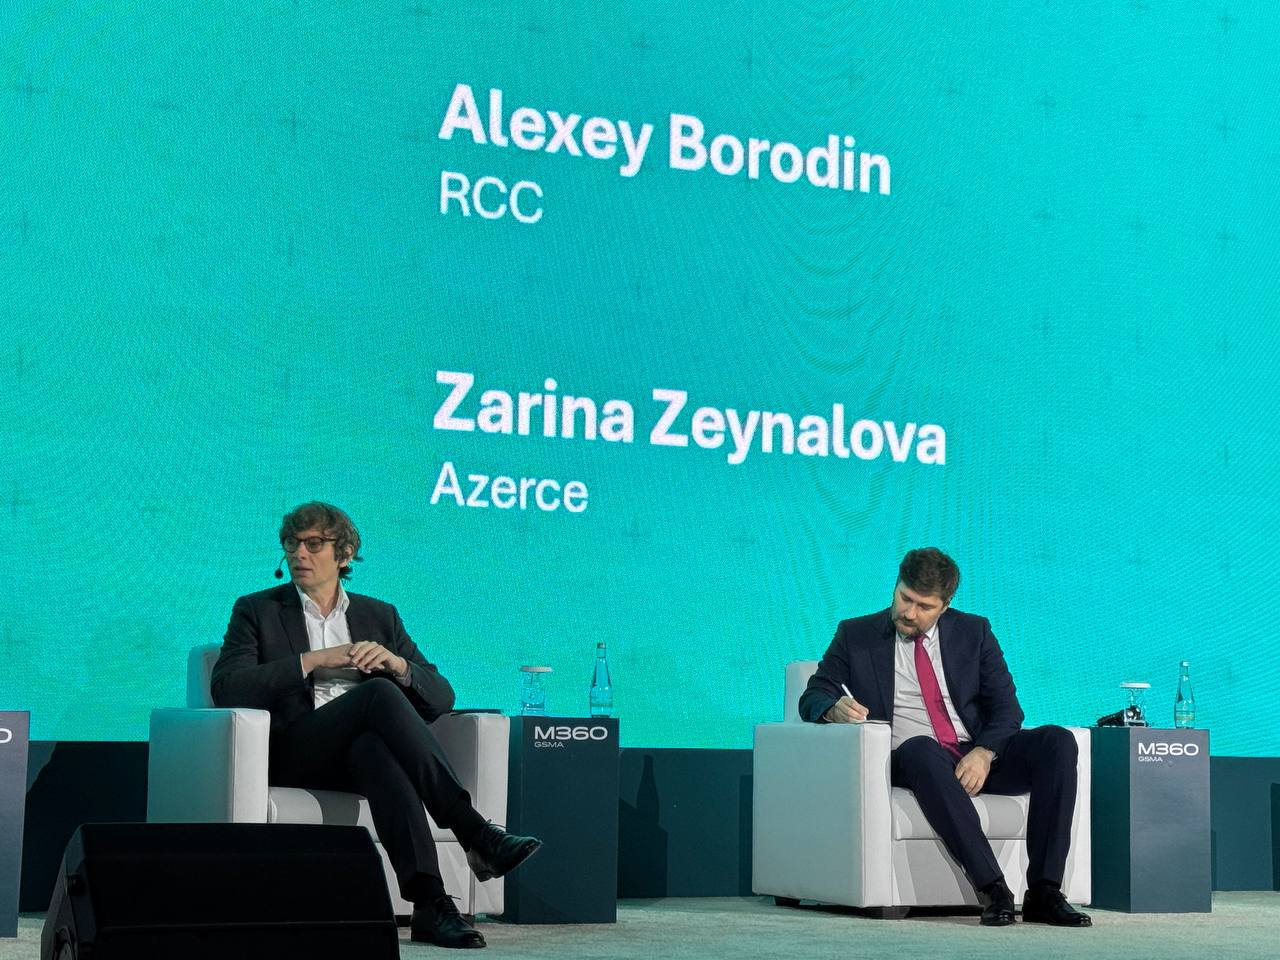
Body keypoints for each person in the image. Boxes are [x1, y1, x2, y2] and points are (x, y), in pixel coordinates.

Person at [212, 501, 540, 948]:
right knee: (379, 695)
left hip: (355, 756)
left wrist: (398, 665)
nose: (299, 554)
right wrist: (313, 660)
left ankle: (430, 903)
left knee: (375, 750)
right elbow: (227, 688)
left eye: (314, 544)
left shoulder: (379, 616)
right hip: (295, 751)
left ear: (344, 554)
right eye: (292, 544)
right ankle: (474, 831)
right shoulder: (258, 610)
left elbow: (441, 699)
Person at [799, 547, 1090, 927]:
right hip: (911, 757)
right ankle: (993, 889)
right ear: (896, 586)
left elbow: (1007, 708)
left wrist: (984, 752)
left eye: (924, 606)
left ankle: (1045, 892)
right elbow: (814, 694)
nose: (909, 612)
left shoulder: (974, 632)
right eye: (905, 598)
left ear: (945, 605)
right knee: (922, 748)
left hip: (972, 754)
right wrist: (833, 707)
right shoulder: (856, 635)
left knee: (1058, 741)